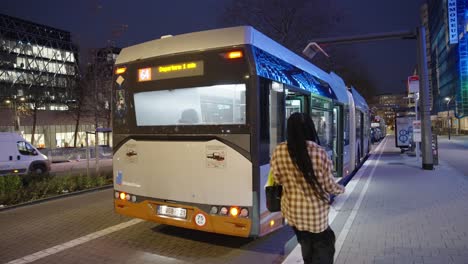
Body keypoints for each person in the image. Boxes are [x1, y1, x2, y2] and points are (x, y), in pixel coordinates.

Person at [270, 112, 345, 264]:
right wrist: (341, 189)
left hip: (293, 213)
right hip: (315, 216)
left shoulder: (279, 151)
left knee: (305, 243)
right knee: (325, 245)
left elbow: (277, 179)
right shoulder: (319, 152)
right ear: (311, 128)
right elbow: (328, 185)